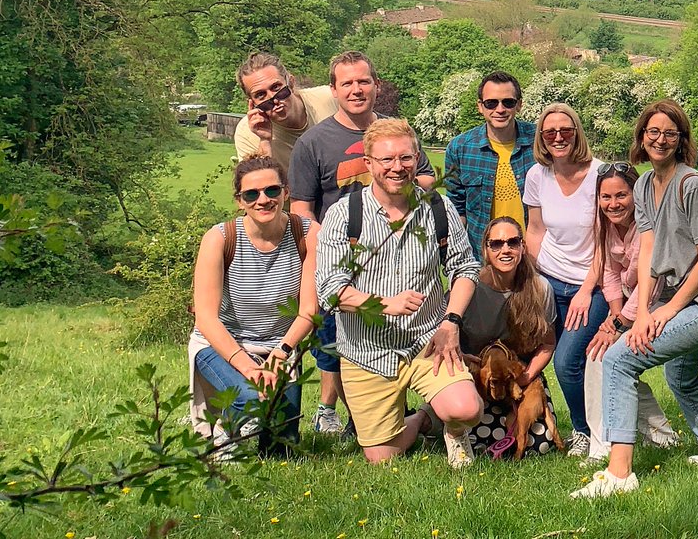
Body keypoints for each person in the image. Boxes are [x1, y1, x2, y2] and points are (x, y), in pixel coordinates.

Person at [573, 99, 698, 498]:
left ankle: (619, 474)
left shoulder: (692, 184)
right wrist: (643, 310)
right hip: (670, 302)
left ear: (681, 140)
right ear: (642, 138)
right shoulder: (645, 184)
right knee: (680, 375)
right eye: (653, 132)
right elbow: (647, 250)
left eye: (669, 132)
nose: (660, 139)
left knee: (618, 359)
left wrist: (667, 310)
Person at [314, 118, 482, 466]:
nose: (397, 167)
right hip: (368, 350)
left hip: (428, 342)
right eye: (387, 159)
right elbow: (330, 289)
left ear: (417, 158)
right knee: (382, 458)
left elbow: (465, 268)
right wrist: (382, 304)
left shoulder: (438, 208)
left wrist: (450, 323)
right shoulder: (344, 215)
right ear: (369, 163)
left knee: (466, 409)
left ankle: (453, 428)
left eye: (405, 158)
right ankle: (423, 419)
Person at [289, 51, 435, 437]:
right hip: (343, 254)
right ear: (334, 90)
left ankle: (386, 414)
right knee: (337, 337)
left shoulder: (398, 130)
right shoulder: (313, 143)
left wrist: (393, 191)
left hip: (399, 250)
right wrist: (323, 244)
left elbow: (426, 180)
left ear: (376, 85)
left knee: (395, 332)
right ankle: (330, 409)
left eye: (364, 81)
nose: (357, 89)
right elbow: (301, 207)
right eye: (347, 83)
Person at [189, 154, 318, 457]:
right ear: (240, 201)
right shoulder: (219, 238)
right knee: (250, 399)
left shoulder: (309, 233)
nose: (264, 200)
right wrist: (247, 366)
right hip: (223, 343)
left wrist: (280, 356)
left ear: (286, 192)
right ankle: (223, 434)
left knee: (280, 450)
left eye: (272, 190)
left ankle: (254, 424)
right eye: (252, 194)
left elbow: (308, 311)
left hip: (279, 346)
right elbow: (206, 318)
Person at [582, 161, 680, 462]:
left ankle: (603, 446)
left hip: (664, 304)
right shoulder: (606, 227)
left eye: (621, 195)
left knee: (608, 358)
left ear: (635, 194)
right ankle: (662, 437)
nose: (613, 204)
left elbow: (653, 280)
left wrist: (618, 324)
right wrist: (614, 318)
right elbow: (610, 273)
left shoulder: (647, 226)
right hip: (630, 308)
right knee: (604, 355)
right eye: (606, 197)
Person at [523, 102, 606, 456]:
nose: (558, 137)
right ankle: (590, 425)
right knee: (553, 355)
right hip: (549, 283)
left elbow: (607, 241)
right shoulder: (536, 176)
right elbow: (535, 230)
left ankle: (585, 431)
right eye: (550, 132)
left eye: (566, 130)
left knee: (567, 360)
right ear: (542, 137)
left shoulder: (600, 174)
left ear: (577, 133)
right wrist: (531, 279)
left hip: (593, 285)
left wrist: (587, 290)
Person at [461, 217, 560, 457]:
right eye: (496, 244)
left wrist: (527, 376)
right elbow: (448, 338)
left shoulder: (539, 288)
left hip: (519, 378)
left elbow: (548, 344)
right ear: (485, 249)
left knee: (539, 445)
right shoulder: (468, 287)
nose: (505, 249)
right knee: (476, 442)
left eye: (512, 242)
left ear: (522, 247)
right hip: (479, 380)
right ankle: (432, 417)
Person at [444, 71, 537, 258]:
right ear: (480, 106)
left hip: (533, 258)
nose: (500, 109)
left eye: (508, 102)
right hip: (483, 259)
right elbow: (456, 211)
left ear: (519, 104)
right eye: (491, 103)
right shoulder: (460, 148)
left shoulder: (540, 141)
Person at [233, 52, 337, 170]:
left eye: (276, 87)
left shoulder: (331, 98)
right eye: (261, 95)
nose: (274, 99)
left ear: (291, 83)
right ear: (252, 103)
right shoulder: (247, 133)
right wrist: (265, 141)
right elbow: (262, 185)